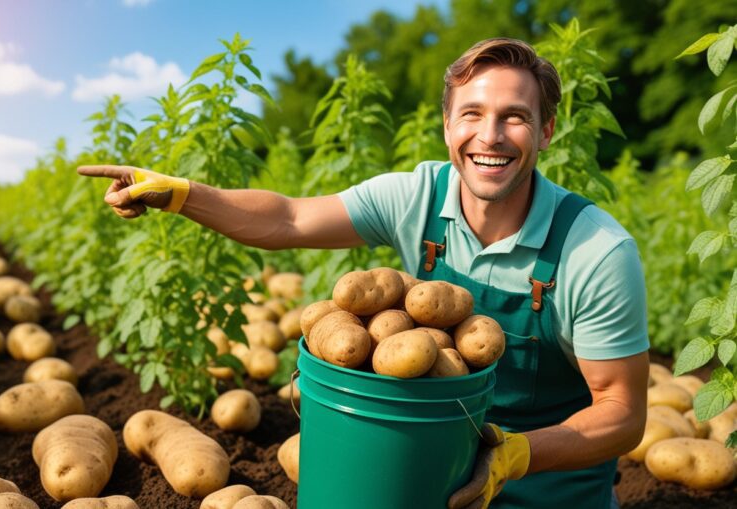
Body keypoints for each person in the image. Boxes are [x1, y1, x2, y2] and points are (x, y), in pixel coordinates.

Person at [78, 38, 649, 509]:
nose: (491, 136)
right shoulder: (417, 198)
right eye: (472, 114)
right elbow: (289, 218)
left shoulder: (593, 251)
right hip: (425, 471)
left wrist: (514, 456)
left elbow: (622, 415)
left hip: (546, 489)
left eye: (515, 118)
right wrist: (180, 193)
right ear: (447, 125)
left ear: (546, 132)